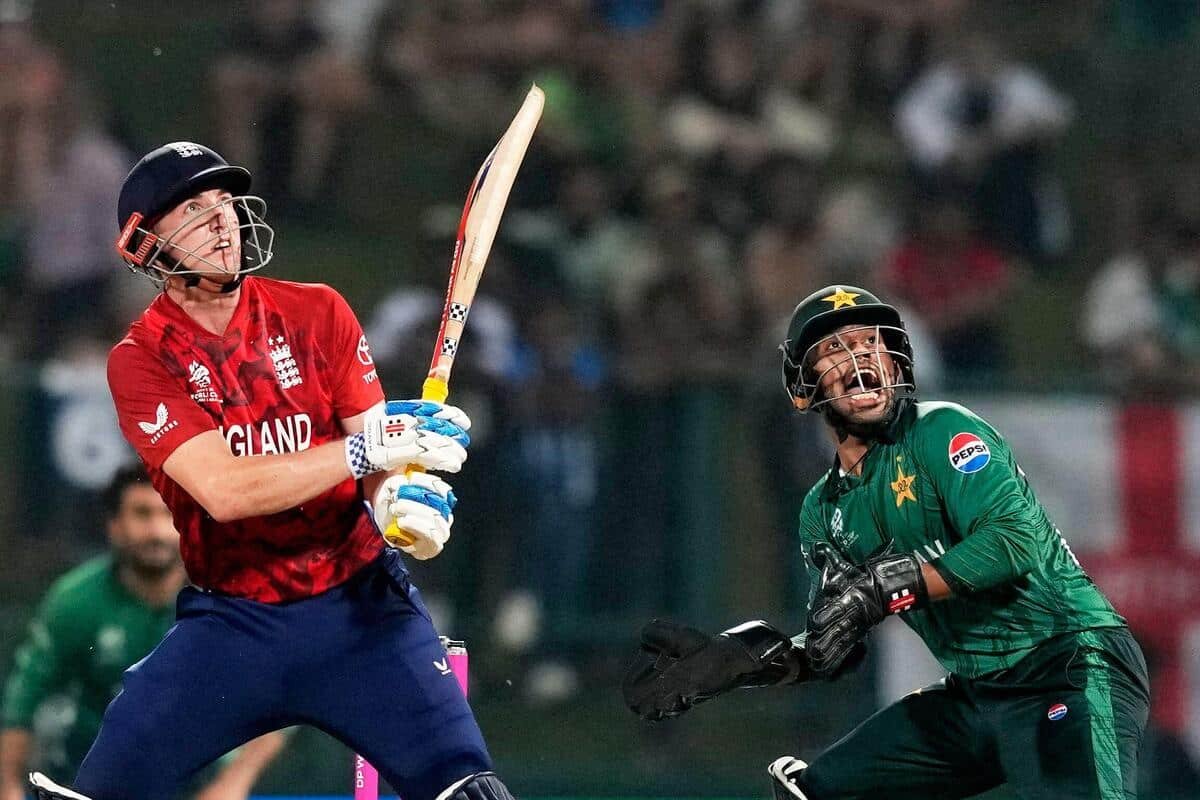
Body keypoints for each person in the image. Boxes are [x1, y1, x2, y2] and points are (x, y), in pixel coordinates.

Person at [28, 141, 512, 800]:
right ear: (145, 245)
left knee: (473, 792)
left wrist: (398, 506)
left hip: (364, 607)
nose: (221, 218)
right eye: (192, 208)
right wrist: (368, 453)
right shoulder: (141, 360)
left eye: (224, 201)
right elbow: (226, 490)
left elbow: (378, 459)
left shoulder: (318, 311)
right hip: (235, 626)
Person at [622, 284, 1150, 799]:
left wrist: (886, 586)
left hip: (1069, 663)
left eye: (870, 342)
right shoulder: (822, 511)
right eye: (835, 348)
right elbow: (834, 646)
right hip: (976, 692)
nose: (859, 358)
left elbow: (1013, 542)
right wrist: (746, 662)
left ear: (896, 363)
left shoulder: (942, 430)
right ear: (804, 386)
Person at [2, 466, 287, 800]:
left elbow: (287, 691)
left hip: (198, 784)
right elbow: (23, 701)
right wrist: (8, 786)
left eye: (169, 513)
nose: (157, 530)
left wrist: (233, 782)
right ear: (114, 525)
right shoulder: (75, 600)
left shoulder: (235, 599)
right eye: (142, 514)